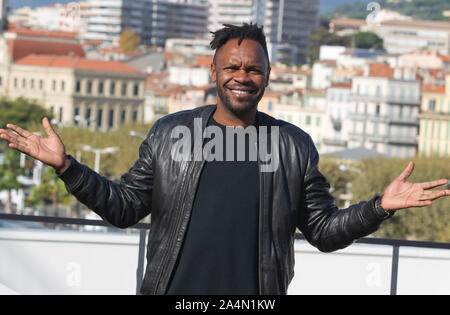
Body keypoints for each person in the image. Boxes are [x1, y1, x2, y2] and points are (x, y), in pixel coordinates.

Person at [0, 23, 449, 295]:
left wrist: (379, 207)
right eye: (232, 67)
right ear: (212, 72)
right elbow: (124, 208)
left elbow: (324, 232)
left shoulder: (293, 147)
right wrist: (67, 167)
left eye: (253, 69)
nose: (242, 76)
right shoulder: (171, 134)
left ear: (268, 78)